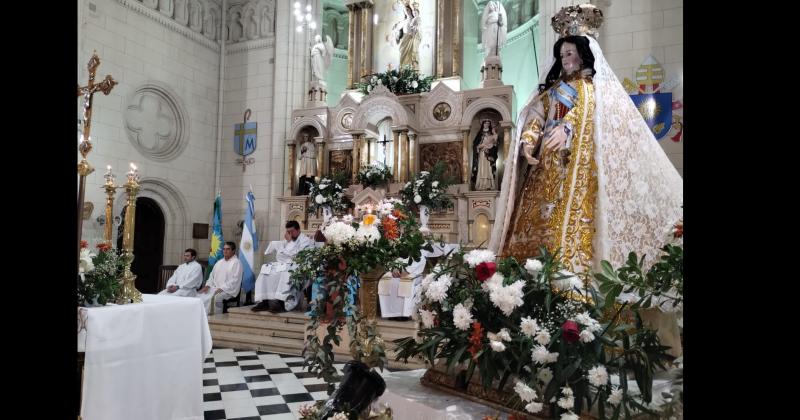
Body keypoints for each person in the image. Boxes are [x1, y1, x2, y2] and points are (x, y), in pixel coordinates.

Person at [490, 4, 683, 275]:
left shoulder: (595, 88)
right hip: (544, 167)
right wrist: (527, 141)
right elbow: (536, 115)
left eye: (569, 52)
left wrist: (567, 128)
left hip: (574, 166)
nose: (565, 57)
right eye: (561, 53)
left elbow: (587, 111)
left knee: (571, 224)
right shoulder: (553, 90)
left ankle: (570, 279)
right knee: (537, 224)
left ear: (582, 54)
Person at [251, 221, 315, 312]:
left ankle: (282, 303)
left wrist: (289, 243)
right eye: (288, 232)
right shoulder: (289, 240)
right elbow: (280, 255)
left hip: (299, 266)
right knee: (266, 270)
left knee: (286, 273)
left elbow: (296, 256)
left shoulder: (305, 240)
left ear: (298, 230)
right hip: (286, 264)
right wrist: (282, 244)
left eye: (292, 231)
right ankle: (264, 301)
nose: (290, 234)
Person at [197, 242, 243, 315]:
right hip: (215, 288)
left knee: (216, 297)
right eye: (224, 249)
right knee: (200, 294)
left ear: (233, 251)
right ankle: (203, 318)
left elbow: (234, 280)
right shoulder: (219, 262)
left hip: (229, 290)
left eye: (228, 249)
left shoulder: (236, 262)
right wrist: (207, 285)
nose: (225, 251)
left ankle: (216, 317)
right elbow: (212, 276)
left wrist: (222, 288)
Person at [471, 120, 499, 190]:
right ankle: (481, 184)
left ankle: (488, 184)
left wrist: (490, 146)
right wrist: (479, 147)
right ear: (483, 124)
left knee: (488, 168)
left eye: (488, 123)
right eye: (485, 123)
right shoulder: (480, 133)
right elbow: (475, 144)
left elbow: (495, 144)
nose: (486, 125)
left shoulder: (491, 134)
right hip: (482, 153)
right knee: (482, 167)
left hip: (489, 153)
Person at [394, 3, 420, 71]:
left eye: (407, 9)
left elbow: (417, 29)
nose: (406, 11)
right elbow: (396, 29)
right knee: (402, 55)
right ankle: (402, 70)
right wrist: (396, 34)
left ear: (410, 10)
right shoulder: (404, 21)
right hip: (404, 40)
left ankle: (411, 70)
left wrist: (414, 33)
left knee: (412, 55)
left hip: (411, 39)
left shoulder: (415, 19)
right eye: (405, 10)